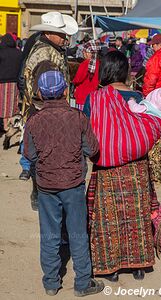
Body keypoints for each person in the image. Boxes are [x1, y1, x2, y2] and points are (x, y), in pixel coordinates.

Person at [84, 51, 161, 281]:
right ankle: (138, 267)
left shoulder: (95, 98)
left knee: (110, 217)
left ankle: (112, 269)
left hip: (107, 168)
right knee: (136, 215)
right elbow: (151, 126)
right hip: (136, 168)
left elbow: (88, 131)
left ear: (105, 70)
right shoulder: (139, 98)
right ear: (124, 71)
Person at [23, 70, 104, 297]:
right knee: (78, 233)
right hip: (73, 184)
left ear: (39, 93)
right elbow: (93, 149)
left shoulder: (34, 121)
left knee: (49, 234)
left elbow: (29, 155)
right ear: (66, 91)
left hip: (47, 186)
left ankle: (51, 283)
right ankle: (83, 283)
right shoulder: (78, 117)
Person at [19, 11, 78, 209]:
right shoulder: (46, 56)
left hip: (42, 113)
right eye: (61, 34)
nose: (65, 38)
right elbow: (43, 92)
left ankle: (40, 193)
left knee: (42, 154)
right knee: (46, 156)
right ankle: (41, 195)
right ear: (49, 33)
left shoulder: (45, 48)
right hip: (46, 113)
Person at [0, 33, 22, 147]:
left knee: (3, 105)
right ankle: (11, 126)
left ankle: (5, 127)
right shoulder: (19, 53)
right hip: (15, 82)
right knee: (12, 105)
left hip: (2, 82)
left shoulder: (1, 52)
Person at [73, 40, 100, 110]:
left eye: (85, 51)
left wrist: (73, 81)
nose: (83, 53)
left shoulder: (84, 64)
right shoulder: (99, 64)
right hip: (93, 97)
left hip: (82, 96)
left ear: (89, 53)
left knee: (82, 117)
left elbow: (78, 79)